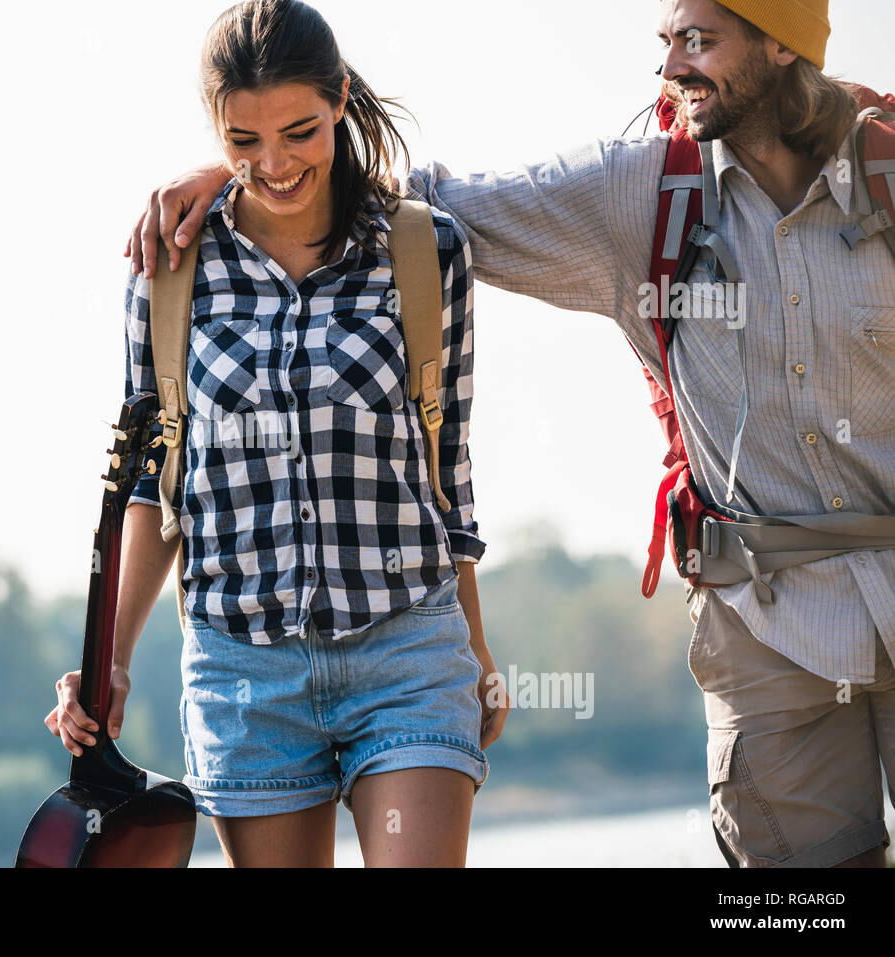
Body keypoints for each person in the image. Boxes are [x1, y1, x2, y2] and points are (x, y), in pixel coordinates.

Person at [126, 0, 895, 868]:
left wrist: (255, 163)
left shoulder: (888, 173)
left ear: (784, 45)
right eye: (668, 40)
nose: (671, 66)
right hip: (769, 631)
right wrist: (239, 178)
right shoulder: (638, 194)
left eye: (700, 41)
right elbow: (425, 209)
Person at [47, 0, 508, 867]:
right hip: (243, 675)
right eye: (243, 143)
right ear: (215, 134)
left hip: (407, 649)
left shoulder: (424, 251)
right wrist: (110, 659)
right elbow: (153, 487)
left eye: (299, 131)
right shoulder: (168, 270)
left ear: (340, 99)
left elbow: (448, 467)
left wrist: (474, 644)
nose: (274, 164)